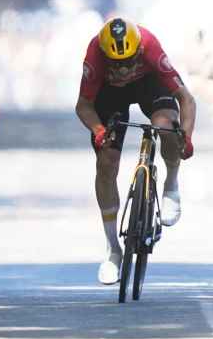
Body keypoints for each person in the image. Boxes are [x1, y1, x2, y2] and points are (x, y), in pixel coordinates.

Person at [75, 17, 196, 286]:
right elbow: (83, 105)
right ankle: (112, 250)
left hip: (149, 84)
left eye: (128, 62)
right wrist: (98, 130)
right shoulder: (95, 54)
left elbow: (186, 98)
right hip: (109, 95)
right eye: (116, 64)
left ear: (138, 51)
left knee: (166, 128)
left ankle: (171, 184)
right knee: (107, 161)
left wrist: (185, 137)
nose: (123, 69)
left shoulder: (149, 45)